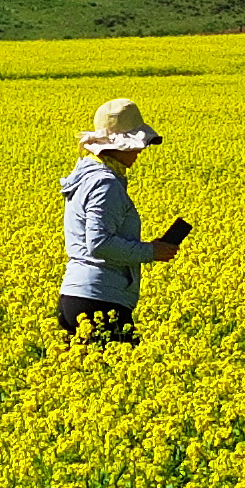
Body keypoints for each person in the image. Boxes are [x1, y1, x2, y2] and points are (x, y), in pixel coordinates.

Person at [58, 97, 185, 342]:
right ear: (117, 145)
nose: (140, 150)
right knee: (128, 370)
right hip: (98, 300)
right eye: (136, 145)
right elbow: (100, 244)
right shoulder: (105, 183)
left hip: (79, 297)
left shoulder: (86, 177)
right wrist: (151, 252)